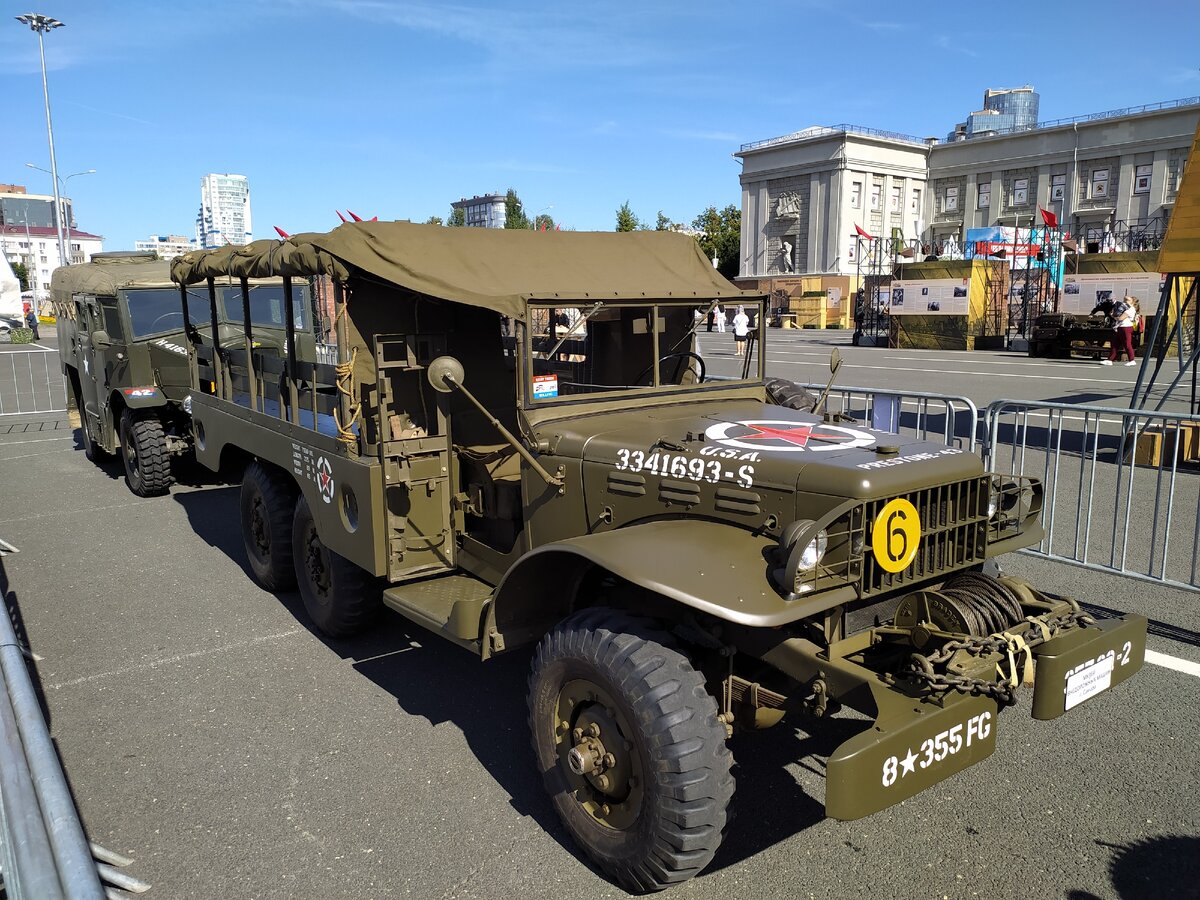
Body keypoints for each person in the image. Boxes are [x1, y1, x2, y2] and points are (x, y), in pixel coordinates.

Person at [1102, 294, 1138, 366]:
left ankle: (1132, 360)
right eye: (1124, 300)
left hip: (1126, 327)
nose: (1125, 302)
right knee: (1115, 344)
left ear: (1132, 302)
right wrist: (1113, 315)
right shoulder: (1124, 308)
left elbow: (1120, 318)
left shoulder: (1130, 309)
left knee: (1127, 344)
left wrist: (1114, 316)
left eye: (1127, 300)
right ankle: (1110, 359)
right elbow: (1117, 316)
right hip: (1120, 327)